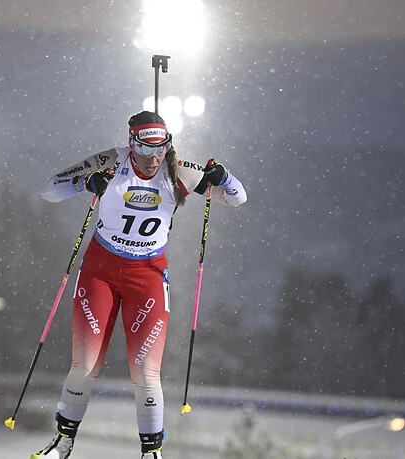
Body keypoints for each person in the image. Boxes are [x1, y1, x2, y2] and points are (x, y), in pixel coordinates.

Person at [33, 111, 247, 459]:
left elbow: (237, 197)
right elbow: (49, 190)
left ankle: (151, 453)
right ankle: (63, 441)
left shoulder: (180, 171)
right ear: (131, 143)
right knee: (84, 365)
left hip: (147, 274)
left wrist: (223, 176)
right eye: (144, 150)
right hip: (100, 270)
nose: (152, 159)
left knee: (146, 373)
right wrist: (85, 183)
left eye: (160, 150)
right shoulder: (110, 161)